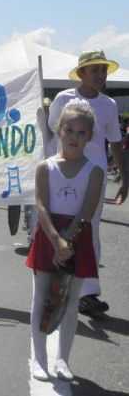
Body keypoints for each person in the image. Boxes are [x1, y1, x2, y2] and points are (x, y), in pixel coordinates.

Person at [27, 99, 104, 381]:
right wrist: (56, 241)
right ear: (59, 131)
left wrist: (67, 241)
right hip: (49, 235)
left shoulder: (94, 171)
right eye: (69, 130)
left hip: (77, 237)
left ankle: (62, 359)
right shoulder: (45, 167)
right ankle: (40, 359)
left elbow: (87, 210)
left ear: (90, 136)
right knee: (41, 298)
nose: (74, 137)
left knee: (70, 303)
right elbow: (41, 205)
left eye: (81, 133)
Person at [47, 50, 127, 318]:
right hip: (64, 173)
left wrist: (125, 178)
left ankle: (88, 293)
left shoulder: (109, 105)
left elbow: (115, 142)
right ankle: (55, 285)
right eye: (95, 70)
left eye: (103, 71)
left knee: (89, 230)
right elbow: (51, 130)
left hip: (95, 175)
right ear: (81, 73)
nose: (101, 76)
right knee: (60, 226)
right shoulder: (64, 99)